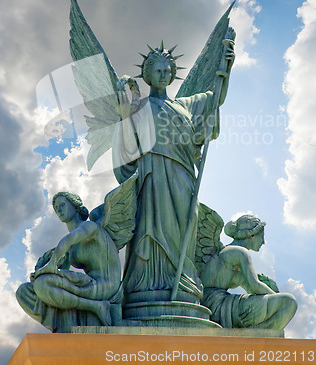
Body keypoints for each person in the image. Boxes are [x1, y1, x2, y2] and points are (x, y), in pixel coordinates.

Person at [112, 44, 234, 302]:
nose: (164, 74)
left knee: (183, 232)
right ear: (147, 74)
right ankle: (148, 287)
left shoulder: (186, 105)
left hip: (183, 177)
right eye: (158, 70)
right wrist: (124, 118)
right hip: (152, 177)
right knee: (152, 229)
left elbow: (215, 99)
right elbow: (128, 152)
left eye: (168, 70)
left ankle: (185, 283)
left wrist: (227, 68)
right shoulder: (139, 109)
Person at [16, 192, 122, 332]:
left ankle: (97, 306)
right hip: (89, 286)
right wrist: (42, 269)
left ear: (75, 206)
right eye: (56, 208)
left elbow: (67, 241)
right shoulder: (71, 247)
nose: (59, 210)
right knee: (24, 291)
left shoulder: (90, 227)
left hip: (106, 285)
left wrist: (52, 264)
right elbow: (60, 268)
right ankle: (94, 306)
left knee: (43, 283)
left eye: (62, 205)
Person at [200, 215, 297, 329]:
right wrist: (277, 297)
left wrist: (267, 286)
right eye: (261, 236)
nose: (263, 242)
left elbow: (251, 288)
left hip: (214, 305)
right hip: (219, 307)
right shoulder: (240, 252)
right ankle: (255, 336)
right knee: (289, 302)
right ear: (251, 235)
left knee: (283, 302)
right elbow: (255, 285)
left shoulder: (226, 253)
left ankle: (252, 335)